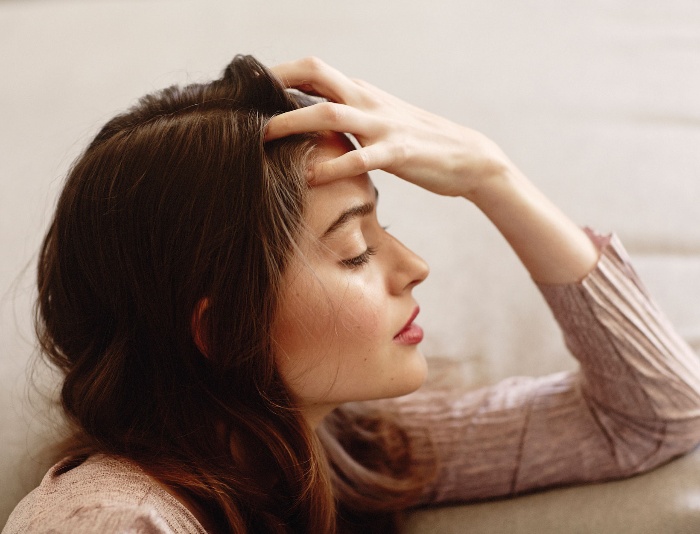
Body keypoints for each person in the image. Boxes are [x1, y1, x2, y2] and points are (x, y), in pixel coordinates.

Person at [4, 55, 700, 534]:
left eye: (382, 226)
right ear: (220, 334)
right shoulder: (111, 520)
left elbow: (657, 415)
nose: (415, 266)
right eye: (354, 250)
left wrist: (490, 173)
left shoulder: (342, 455)